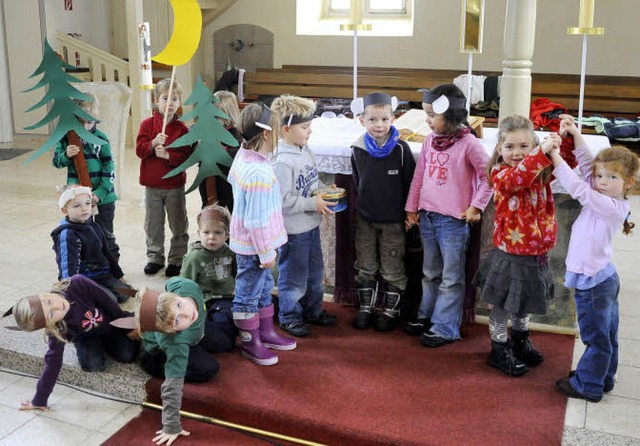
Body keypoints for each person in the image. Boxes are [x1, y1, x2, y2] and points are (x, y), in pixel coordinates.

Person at [550, 115, 639, 401]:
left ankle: (588, 385)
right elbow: (589, 166)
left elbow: (578, 188)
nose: (601, 182)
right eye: (600, 176)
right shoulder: (607, 196)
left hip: (594, 284)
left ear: (628, 183)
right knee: (607, 335)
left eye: (611, 177)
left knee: (596, 337)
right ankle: (603, 378)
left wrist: (553, 156)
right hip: (603, 277)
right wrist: (575, 134)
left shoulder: (610, 206)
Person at [473, 115, 562, 376]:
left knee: (524, 303)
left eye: (524, 146)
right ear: (499, 149)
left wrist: (562, 139)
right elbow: (518, 180)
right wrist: (538, 152)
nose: (517, 152)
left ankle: (520, 341)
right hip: (510, 255)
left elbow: (565, 164)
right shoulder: (500, 174)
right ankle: (499, 349)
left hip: (537, 254)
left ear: (533, 144)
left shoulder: (539, 170)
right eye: (510, 147)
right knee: (502, 305)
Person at [405, 84, 492, 346]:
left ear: (452, 115)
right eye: (426, 114)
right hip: (428, 217)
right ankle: (427, 315)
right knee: (430, 272)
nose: (428, 120)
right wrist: (412, 207)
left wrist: (476, 206)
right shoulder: (431, 140)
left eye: (433, 115)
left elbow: (489, 178)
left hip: (453, 221)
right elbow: (419, 175)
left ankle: (445, 327)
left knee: (451, 277)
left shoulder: (470, 144)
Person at [4, 274, 139, 411]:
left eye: (49, 302)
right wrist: (40, 399)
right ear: (50, 324)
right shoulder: (57, 327)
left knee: (127, 354)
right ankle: (99, 344)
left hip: (110, 323)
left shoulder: (77, 284)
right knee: (92, 365)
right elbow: (53, 360)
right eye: (51, 315)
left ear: (44, 294)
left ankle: (107, 340)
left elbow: (111, 305)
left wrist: (128, 325)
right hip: (86, 337)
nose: (57, 308)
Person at [228, 103, 296, 366]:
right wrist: (266, 252)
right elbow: (255, 220)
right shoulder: (258, 171)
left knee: (264, 287)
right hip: (255, 246)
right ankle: (249, 341)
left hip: (259, 243)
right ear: (267, 134)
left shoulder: (244, 155)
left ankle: (265, 332)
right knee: (247, 294)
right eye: (278, 130)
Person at [270, 94, 336, 337]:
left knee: (315, 273)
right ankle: (289, 315)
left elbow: (311, 178)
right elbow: (282, 201)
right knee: (294, 275)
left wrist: (322, 190)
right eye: (305, 127)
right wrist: (312, 202)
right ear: (287, 129)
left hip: (310, 225)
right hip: (293, 230)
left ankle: (312, 309)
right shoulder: (282, 161)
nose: (310, 132)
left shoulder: (304, 149)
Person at [350, 92, 416, 332]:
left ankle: (390, 310)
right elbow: (358, 182)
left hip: (392, 220)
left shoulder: (400, 149)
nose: (379, 125)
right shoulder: (358, 149)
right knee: (366, 264)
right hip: (366, 218)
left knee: (391, 265)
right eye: (373, 120)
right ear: (362, 121)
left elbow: (410, 183)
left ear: (393, 119)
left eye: (384, 120)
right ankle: (366, 307)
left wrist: (410, 212)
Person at [130, 277, 218, 445]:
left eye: (179, 305)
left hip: (194, 333)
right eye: (178, 320)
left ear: (174, 296)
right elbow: (172, 385)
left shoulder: (186, 287)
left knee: (225, 341)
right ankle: (140, 338)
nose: (187, 313)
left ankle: (147, 321)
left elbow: (172, 282)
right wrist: (171, 425)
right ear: (171, 330)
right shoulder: (174, 341)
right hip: (155, 356)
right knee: (208, 368)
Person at [52, 93, 120, 260]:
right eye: (80, 122)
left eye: (90, 122)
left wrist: (101, 193)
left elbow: (109, 166)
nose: (85, 127)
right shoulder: (66, 138)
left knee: (105, 233)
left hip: (103, 197)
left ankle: (111, 266)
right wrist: (66, 155)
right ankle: (87, 264)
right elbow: (56, 161)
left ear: (96, 119)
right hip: (78, 197)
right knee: (82, 231)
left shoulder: (100, 138)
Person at [136, 78, 192, 277]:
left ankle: (176, 259)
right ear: (156, 100)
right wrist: (152, 144)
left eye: (174, 99)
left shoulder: (182, 129)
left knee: (178, 222)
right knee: (153, 223)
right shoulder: (147, 124)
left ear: (179, 103)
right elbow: (140, 151)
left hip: (174, 184)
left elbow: (186, 157)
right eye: (165, 98)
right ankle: (155, 257)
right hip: (152, 185)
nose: (169, 104)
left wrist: (169, 155)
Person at [52, 185, 132, 303]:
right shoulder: (68, 235)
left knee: (125, 293)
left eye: (87, 203)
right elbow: (68, 266)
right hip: (83, 279)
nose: (84, 209)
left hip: (101, 274)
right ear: (65, 210)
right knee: (111, 300)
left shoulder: (93, 225)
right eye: (77, 205)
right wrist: (71, 290)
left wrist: (119, 276)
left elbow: (107, 253)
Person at [179, 204, 237, 353]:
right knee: (215, 325)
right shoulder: (194, 257)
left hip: (227, 299)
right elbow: (185, 285)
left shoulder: (231, 252)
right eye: (206, 232)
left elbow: (236, 275)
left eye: (218, 232)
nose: (211, 237)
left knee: (231, 319)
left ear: (227, 235)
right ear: (199, 233)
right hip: (204, 302)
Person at [198, 90, 243, 210]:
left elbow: (236, 156)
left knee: (226, 212)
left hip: (226, 183)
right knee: (209, 209)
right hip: (208, 180)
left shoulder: (235, 134)